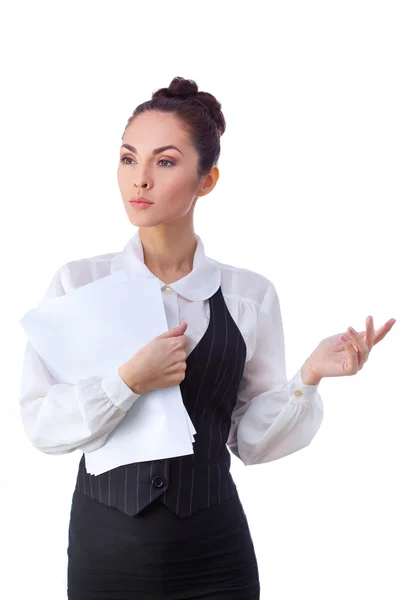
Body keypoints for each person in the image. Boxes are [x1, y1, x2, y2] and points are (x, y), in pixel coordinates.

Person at [19, 76, 396, 599]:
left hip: (213, 554)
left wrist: (308, 377)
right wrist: (128, 381)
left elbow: (252, 442)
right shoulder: (77, 284)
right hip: (107, 552)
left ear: (207, 179)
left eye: (165, 161)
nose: (140, 180)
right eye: (129, 159)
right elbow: (41, 423)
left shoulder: (249, 296)